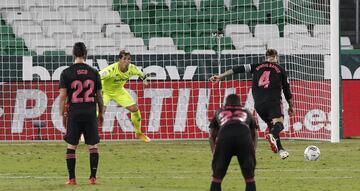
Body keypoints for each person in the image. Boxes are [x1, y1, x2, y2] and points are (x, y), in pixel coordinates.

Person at [209, 49, 294, 160]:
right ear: (276, 57)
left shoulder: (256, 66)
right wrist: (291, 106)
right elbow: (287, 91)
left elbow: (238, 69)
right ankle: (273, 136)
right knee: (279, 123)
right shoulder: (281, 70)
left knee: (271, 125)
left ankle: (281, 149)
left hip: (259, 104)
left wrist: (221, 76)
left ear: (266, 57)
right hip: (273, 101)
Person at [59, 42, 104, 185]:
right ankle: (93, 178)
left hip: (74, 113)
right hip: (90, 112)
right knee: (93, 145)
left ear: (73, 53)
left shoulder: (66, 72)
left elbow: (62, 96)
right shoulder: (93, 72)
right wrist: (101, 112)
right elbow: (99, 96)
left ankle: (72, 179)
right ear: (86, 54)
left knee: (72, 145)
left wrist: (61, 113)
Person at [209, 94, 258, 191]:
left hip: (225, 136)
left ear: (226, 103)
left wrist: (214, 153)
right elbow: (255, 135)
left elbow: (211, 136)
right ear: (239, 103)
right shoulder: (247, 111)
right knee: (250, 178)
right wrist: (253, 151)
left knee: (217, 177)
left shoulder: (219, 111)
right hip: (244, 135)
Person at [99, 50, 151, 142]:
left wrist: (144, 79)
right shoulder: (110, 70)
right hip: (105, 91)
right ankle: (84, 134)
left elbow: (141, 74)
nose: (126, 61)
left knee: (135, 109)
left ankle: (138, 133)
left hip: (119, 91)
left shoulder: (132, 68)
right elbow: (97, 77)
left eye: (128, 59)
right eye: (124, 59)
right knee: (99, 114)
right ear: (119, 60)